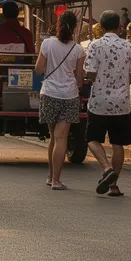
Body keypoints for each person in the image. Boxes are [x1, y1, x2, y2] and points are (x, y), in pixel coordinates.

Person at [84, 10, 131, 197]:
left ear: (101, 26)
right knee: (118, 144)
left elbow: (89, 73)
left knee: (92, 138)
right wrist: (120, 83)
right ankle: (114, 186)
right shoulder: (128, 46)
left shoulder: (94, 46)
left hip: (99, 101)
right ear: (119, 27)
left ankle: (107, 169)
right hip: (121, 103)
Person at [35, 10, 84, 190]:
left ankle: (50, 176)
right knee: (61, 138)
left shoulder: (47, 44)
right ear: (75, 28)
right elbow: (79, 79)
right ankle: (56, 180)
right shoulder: (78, 49)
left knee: (53, 138)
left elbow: (39, 69)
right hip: (69, 96)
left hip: (49, 93)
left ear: (58, 24)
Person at [0, 1, 35, 97]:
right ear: (17, 13)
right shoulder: (26, 33)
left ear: (4, 14)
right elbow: (32, 53)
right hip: (22, 73)